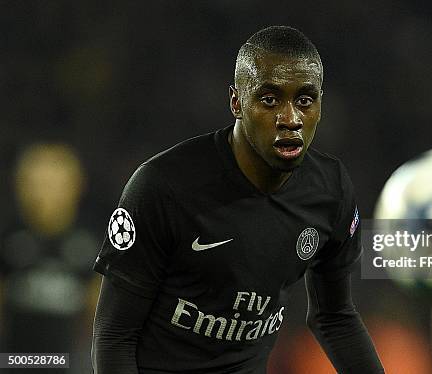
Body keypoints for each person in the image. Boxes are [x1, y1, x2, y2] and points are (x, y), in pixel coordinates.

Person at [92, 26, 384, 374]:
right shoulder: (163, 187)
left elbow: (334, 317)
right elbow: (114, 335)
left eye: (305, 100)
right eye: (270, 100)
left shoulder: (330, 190)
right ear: (237, 102)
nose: (290, 119)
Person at [0, 143, 100, 373]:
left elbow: (100, 319)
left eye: (52, 184)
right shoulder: (8, 240)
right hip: (14, 362)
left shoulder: (92, 243)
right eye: (35, 183)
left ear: (76, 186)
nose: (42, 193)